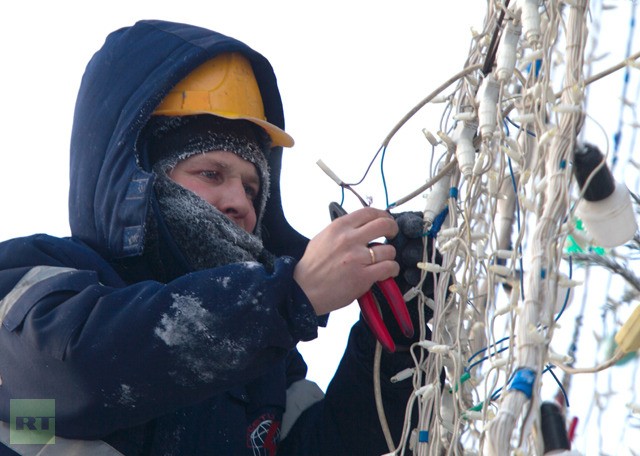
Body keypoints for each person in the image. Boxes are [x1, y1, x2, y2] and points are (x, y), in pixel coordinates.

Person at [0, 19, 438, 455]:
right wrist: (289, 296)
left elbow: (334, 444)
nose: (240, 203)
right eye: (211, 173)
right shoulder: (31, 286)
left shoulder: (264, 372)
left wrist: (392, 350)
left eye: (252, 187)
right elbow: (78, 371)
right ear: (136, 178)